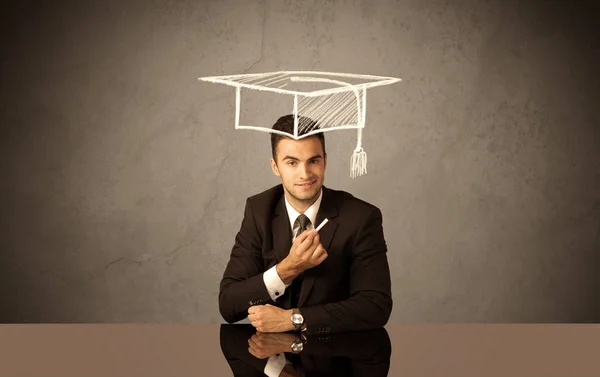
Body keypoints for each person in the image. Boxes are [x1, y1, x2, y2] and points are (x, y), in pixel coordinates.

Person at [218, 114, 392, 335]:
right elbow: (228, 304)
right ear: (275, 166)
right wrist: (288, 268)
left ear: (325, 161)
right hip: (271, 360)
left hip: (337, 358)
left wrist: (293, 319)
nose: (305, 174)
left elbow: (376, 306)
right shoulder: (258, 210)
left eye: (314, 161)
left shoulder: (361, 217)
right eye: (292, 162)